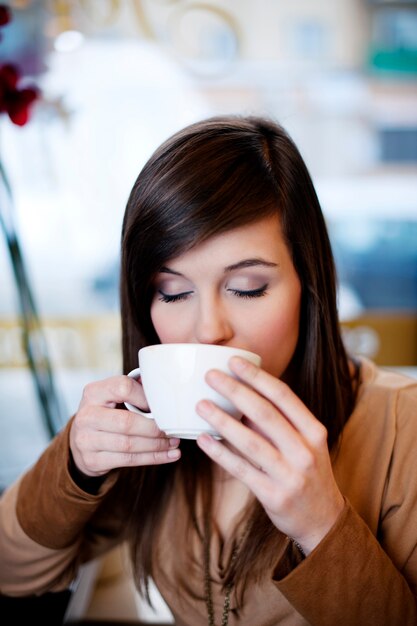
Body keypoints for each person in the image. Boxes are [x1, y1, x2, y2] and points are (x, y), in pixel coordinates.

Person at [1, 115, 416, 626]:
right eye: (173, 292)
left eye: (246, 287)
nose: (207, 330)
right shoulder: (151, 439)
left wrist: (323, 526)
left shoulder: (402, 426)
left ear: (309, 284)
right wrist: (74, 463)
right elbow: (13, 572)